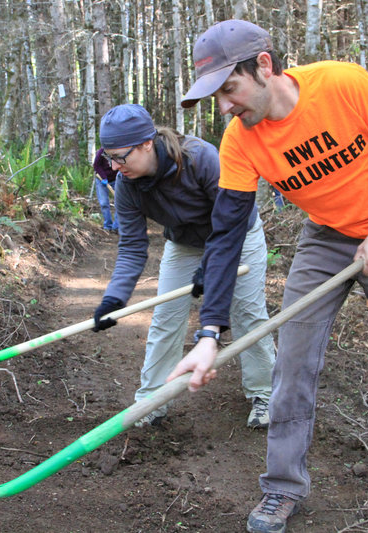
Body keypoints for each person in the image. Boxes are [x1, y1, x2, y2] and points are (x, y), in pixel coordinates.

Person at [168, 20, 368, 533]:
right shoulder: (239, 141)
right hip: (325, 239)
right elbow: (226, 237)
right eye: (216, 98)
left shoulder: (342, 84)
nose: (225, 108)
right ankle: (281, 487)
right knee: (293, 362)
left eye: (228, 90)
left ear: (264, 66)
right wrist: (210, 332)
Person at [92, 103, 276, 429]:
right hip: (184, 243)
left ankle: (265, 394)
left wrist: (212, 266)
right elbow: (133, 247)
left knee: (246, 313)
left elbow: (230, 222)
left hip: (236, 236)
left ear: (146, 143)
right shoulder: (127, 185)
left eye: (121, 157)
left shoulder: (199, 158)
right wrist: (114, 299)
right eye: (110, 159)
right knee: (166, 317)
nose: (116, 167)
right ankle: (152, 400)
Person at [92, 148, 119, 232]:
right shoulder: (101, 152)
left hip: (116, 179)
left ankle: (117, 226)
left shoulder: (118, 151)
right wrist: (104, 177)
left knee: (119, 202)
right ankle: (108, 225)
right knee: (104, 203)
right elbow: (96, 165)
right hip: (101, 180)